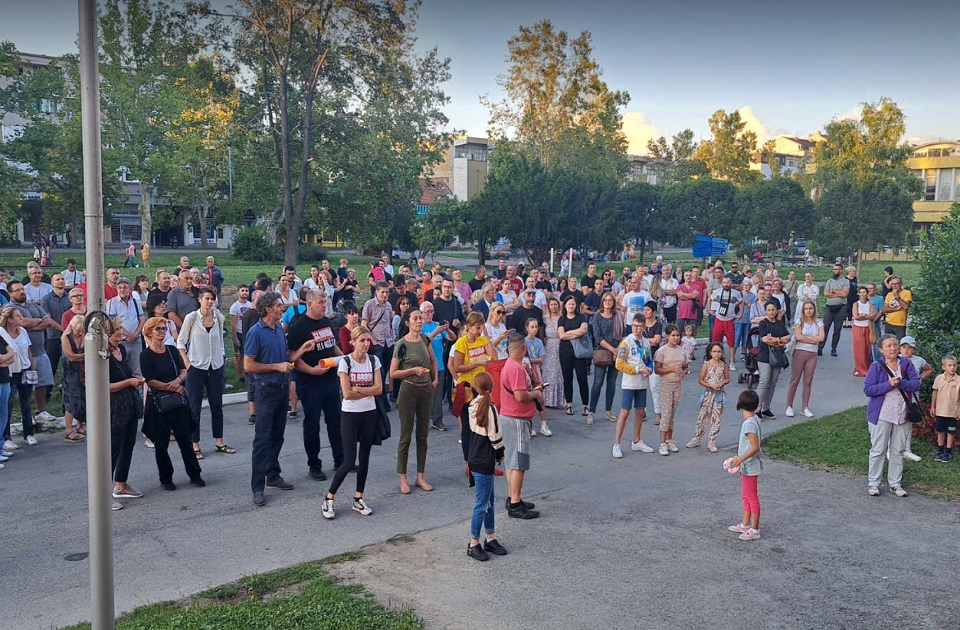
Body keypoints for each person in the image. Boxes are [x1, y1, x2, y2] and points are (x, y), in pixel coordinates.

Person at [322, 326, 381, 520]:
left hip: (369, 412)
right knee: (348, 460)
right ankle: (329, 497)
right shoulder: (345, 363)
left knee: (365, 457)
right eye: (362, 340)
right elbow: (346, 394)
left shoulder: (374, 360)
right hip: (350, 414)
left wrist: (359, 389)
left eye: (368, 340)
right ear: (353, 342)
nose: (366, 344)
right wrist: (367, 388)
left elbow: (379, 389)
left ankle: (359, 497)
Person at [140, 316, 204, 491]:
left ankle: (195, 474)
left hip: (177, 402)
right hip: (159, 403)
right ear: (149, 332)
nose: (162, 332)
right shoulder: (145, 355)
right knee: (161, 443)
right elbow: (150, 380)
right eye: (158, 329)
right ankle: (166, 477)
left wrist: (177, 382)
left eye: (164, 328)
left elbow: (184, 369)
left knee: (185, 439)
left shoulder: (171, 349)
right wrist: (172, 387)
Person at [245, 292, 296, 507]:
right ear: (267, 309)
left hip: (281, 389)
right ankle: (258, 487)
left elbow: (285, 358)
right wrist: (276, 367)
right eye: (278, 305)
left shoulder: (278, 330)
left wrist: (302, 350)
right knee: (262, 439)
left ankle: (273, 475)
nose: (282, 308)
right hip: (265, 391)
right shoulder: (256, 333)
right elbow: (248, 365)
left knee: (278, 436)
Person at [287, 290, 344, 480]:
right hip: (310, 383)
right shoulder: (299, 327)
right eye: (320, 302)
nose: (324, 305)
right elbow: (292, 357)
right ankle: (314, 465)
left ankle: (340, 459)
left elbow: (332, 344)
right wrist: (311, 370)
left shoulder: (326, 322)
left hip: (330, 381)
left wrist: (344, 359)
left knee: (335, 422)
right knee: (312, 425)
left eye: (325, 301)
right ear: (310, 304)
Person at [177, 288, 233, 460]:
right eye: (207, 298)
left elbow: (221, 340)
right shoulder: (192, 318)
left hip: (215, 366)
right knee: (194, 407)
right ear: (200, 300)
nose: (210, 302)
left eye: (212, 299)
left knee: (217, 406)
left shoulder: (218, 318)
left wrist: (221, 358)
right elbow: (181, 342)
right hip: (196, 367)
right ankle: (195, 444)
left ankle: (220, 441)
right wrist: (187, 363)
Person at [864, 335, 920, 498]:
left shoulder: (906, 364)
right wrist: (888, 384)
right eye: (888, 346)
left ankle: (895, 483)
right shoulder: (876, 366)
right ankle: (873, 483)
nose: (893, 348)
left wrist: (901, 383)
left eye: (895, 345)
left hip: (902, 413)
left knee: (898, 450)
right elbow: (868, 390)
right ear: (881, 349)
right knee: (878, 449)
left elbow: (916, 384)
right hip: (882, 414)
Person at [391, 308, 438, 494]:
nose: (420, 321)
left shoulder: (425, 340)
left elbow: (433, 360)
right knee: (406, 435)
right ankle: (403, 477)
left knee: (423, 435)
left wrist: (434, 380)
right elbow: (393, 373)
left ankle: (420, 476)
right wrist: (413, 370)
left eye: (421, 318)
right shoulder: (402, 345)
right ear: (407, 323)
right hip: (408, 390)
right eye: (416, 318)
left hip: (425, 389)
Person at [465, 371, 508, 561]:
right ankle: (474, 542)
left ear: (476, 387)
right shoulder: (490, 408)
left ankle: (490, 537)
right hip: (486, 458)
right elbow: (495, 436)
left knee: (489, 500)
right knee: (482, 503)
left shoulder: (473, 405)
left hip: (474, 456)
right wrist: (500, 454)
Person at [451, 312, 496, 487]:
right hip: (467, 388)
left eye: (480, 327)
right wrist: (477, 364)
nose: (479, 330)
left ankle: (484, 462)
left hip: (481, 387)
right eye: (477, 327)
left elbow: (493, 356)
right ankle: (469, 464)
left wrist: (486, 333)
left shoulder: (482, 340)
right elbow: (457, 366)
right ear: (468, 327)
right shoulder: (461, 342)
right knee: (468, 428)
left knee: (483, 424)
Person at [500, 333, 541, 519]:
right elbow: (521, 396)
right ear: (523, 348)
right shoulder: (515, 369)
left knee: (511, 462)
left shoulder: (509, 365)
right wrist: (536, 394)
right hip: (516, 419)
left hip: (509, 417)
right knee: (519, 464)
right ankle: (515, 503)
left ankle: (513, 497)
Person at [107, 317, 146, 510]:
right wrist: (128, 383)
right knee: (112, 449)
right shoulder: (101, 355)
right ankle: (102, 495)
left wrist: (135, 379)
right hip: (113, 408)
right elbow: (102, 386)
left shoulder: (121, 350)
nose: (121, 333)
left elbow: (126, 374)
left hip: (128, 405)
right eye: (117, 331)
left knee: (127, 446)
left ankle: (120, 485)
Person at [612, 314, 655, 457]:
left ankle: (637, 441)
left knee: (640, 412)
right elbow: (619, 364)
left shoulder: (646, 343)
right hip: (629, 383)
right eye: (634, 325)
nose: (636, 329)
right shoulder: (626, 343)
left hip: (642, 384)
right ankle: (616, 444)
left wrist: (649, 369)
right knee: (624, 412)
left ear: (644, 327)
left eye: (639, 326)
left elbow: (648, 359)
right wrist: (637, 369)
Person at [727, 389, 763, 541]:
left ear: (740, 406)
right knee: (746, 495)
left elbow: (755, 447)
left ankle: (754, 529)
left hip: (749, 465)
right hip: (746, 465)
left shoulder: (748, 425)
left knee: (751, 497)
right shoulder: (754, 420)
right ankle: (745, 523)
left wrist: (740, 459)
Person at [0, 306, 35, 447]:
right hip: (11, 371)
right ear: (10, 320)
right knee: (8, 404)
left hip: (25, 369)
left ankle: (29, 433)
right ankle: (6, 437)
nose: (21, 319)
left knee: (26, 403)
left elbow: (28, 349)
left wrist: (33, 366)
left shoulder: (24, 332)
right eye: (18, 316)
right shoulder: (2, 333)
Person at [686, 342, 729, 452]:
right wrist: (711, 385)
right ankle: (697, 437)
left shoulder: (723, 365)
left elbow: (727, 379)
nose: (717, 354)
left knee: (716, 418)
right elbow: (700, 380)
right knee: (702, 416)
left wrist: (721, 383)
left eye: (719, 351)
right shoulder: (707, 364)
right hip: (708, 394)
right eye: (714, 351)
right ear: (710, 352)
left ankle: (712, 440)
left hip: (719, 395)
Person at [785, 301, 825, 419]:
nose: (808, 311)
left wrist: (806, 338)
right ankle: (789, 406)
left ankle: (805, 407)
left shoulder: (819, 323)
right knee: (795, 380)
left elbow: (821, 337)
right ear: (803, 310)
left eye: (811, 308)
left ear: (814, 309)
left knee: (807, 382)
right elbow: (798, 336)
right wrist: (814, 338)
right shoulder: (799, 322)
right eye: (806, 308)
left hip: (812, 353)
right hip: (799, 352)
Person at [587, 292, 622, 425]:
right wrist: (612, 349)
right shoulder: (597, 316)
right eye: (605, 300)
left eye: (610, 300)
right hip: (602, 352)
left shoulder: (618, 316)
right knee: (597, 383)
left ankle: (608, 410)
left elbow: (622, 334)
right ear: (602, 302)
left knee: (611, 383)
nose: (608, 302)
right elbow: (598, 337)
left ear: (613, 302)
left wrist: (617, 350)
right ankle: (592, 411)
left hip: (616, 353)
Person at [654, 324, 689, 456]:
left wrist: (684, 372)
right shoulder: (662, 351)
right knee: (666, 412)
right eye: (673, 335)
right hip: (666, 384)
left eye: (677, 335)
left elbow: (686, 366)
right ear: (667, 336)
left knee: (673, 413)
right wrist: (671, 369)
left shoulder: (681, 350)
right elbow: (657, 369)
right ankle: (662, 443)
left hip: (678, 384)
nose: (675, 338)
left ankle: (669, 440)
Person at [361, 281, 395, 410]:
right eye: (383, 292)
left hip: (388, 342)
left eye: (387, 292)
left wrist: (391, 338)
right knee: (378, 373)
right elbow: (364, 325)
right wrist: (372, 340)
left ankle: (381, 398)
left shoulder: (388, 305)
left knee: (385, 371)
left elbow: (389, 323)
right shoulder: (369, 304)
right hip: (377, 343)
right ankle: (381, 401)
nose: (385, 295)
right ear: (377, 291)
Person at [898, 336, 932, 462]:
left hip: (912, 395)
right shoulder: (896, 359)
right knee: (895, 421)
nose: (907, 350)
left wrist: (920, 378)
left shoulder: (918, 360)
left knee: (908, 422)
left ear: (914, 350)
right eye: (904, 347)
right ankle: (891, 450)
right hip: (899, 395)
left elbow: (928, 369)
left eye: (910, 348)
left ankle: (907, 449)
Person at [757, 300, 791, 419]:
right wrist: (780, 341)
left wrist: (776, 340)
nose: (771, 312)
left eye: (773, 310)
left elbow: (788, 337)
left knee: (772, 384)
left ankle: (766, 408)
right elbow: (765, 339)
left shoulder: (780, 324)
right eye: (769, 310)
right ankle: (757, 409)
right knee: (764, 382)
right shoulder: (763, 323)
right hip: (765, 356)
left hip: (777, 356)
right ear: (765, 311)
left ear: (777, 310)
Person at [557, 295, 590, 417]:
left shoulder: (581, 317)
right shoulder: (562, 319)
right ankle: (569, 403)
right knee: (567, 379)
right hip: (565, 352)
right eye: (569, 304)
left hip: (580, 352)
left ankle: (585, 405)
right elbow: (561, 335)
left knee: (582, 379)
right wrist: (575, 333)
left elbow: (584, 330)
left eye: (573, 304)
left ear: (576, 305)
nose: (571, 306)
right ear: (565, 305)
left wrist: (569, 332)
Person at [419, 302, 450, 432]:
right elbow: (422, 342)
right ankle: (422, 420)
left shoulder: (436, 324)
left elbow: (451, 337)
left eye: (431, 311)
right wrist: (436, 331)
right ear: (421, 314)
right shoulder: (420, 326)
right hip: (424, 365)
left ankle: (437, 420)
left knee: (438, 395)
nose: (430, 314)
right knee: (424, 394)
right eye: (427, 312)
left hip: (439, 365)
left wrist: (447, 329)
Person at [106, 278, 145, 376]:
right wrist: (128, 335)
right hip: (121, 341)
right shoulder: (112, 303)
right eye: (119, 288)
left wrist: (135, 334)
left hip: (136, 341)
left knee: (137, 370)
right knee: (122, 370)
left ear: (130, 289)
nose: (122, 290)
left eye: (125, 287)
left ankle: (138, 391)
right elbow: (114, 323)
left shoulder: (136, 302)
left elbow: (141, 319)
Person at [60, 316, 86, 442]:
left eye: (82, 331)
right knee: (71, 398)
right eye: (78, 332)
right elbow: (71, 356)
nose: (80, 334)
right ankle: (69, 429)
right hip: (70, 371)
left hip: (83, 370)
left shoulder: (84, 334)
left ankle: (80, 425)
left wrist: (81, 356)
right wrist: (86, 355)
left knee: (83, 396)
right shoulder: (65, 337)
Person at [709, 276, 742, 369]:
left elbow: (741, 302)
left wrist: (740, 313)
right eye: (724, 282)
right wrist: (709, 309)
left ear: (730, 283)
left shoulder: (735, 293)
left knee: (731, 343)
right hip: (719, 319)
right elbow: (710, 298)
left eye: (728, 283)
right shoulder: (717, 292)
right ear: (722, 283)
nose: (726, 284)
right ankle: (714, 361)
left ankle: (731, 362)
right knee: (715, 341)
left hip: (729, 320)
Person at [931, 355, 959, 463]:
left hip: (953, 412)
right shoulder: (939, 379)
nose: (952, 367)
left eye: (954, 365)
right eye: (950, 365)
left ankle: (948, 451)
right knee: (941, 431)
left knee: (951, 432)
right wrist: (933, 406)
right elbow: (935, 392)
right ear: (944, 367)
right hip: (940, 411)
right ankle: (940, 450)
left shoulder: (958, 380)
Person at [819, 264, 849, 357]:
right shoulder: (829, 281)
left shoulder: (845, 281)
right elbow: (826, 293)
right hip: (829, 307)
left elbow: (845, 294)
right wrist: (838, 293)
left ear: (841, 271)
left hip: (841, 307)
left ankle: (833, 349)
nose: (834, 271)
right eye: (834, 269)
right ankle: (820, 348)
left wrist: (833, 291)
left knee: (837, 329)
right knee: (825, 328)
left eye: (836, 269)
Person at [484, 303, 511, 408]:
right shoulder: (487, 327)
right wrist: (500, 338)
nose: (500, 315)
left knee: (505, 389)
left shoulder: (503, 326)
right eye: (498, 312)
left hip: (504, 359)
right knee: (496, 393)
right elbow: (488, 348)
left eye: (503, 313)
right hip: (494, 361)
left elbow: (505, 346)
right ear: (492, 312)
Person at [541, 296, 565, 409]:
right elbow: (541, 331)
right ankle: (547, 399)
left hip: (560, 345)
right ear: (549, 306)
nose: (554, 307)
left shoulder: (562, 318)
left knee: (558, 373)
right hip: (548, 346)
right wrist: (543, 339)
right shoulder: (545, 318)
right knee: (548, 372)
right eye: (551, 305)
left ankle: (559, 400)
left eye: (555, 304)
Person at [850, 287, 876, 377]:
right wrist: (867, 316)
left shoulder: (871, 304)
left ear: (867, 293)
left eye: (864, 292)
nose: (862, 294)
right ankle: (859, 368)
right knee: (859, 349)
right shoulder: (856, 304)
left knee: (867, 349)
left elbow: (873, 315)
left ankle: (866, 367)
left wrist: (863, 315)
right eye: (860, 292)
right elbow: (856, 316)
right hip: (858, 328)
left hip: (867, 328)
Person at [229, 285, 252, 383]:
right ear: (238, 292)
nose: (245, 292)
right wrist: (235, 338)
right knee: (239, 356)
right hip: (239, 333)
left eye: (246, 290)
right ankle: (240, 375)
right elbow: (233, 324)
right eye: (242, 290)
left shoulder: (251, 305)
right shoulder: (235, 306)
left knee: (247, 354)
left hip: (249, 333)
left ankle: (247, 372)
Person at [735, 280, 756, 360]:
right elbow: (734, 304)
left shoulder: (753, 296)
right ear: (742, 286)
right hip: (738, 319)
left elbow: (753, 307)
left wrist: (746, 303)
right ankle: (732, 355)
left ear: (750, 286)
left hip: (748, 319)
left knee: (746, 337)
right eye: (745, 285)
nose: (746, 286)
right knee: (737, 337)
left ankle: (743, 353)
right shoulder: (738, 294)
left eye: (748, 285)